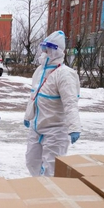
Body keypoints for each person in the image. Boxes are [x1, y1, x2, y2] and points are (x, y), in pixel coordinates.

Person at [24, 30, 81, 177]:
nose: (44, 52)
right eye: (43, 48)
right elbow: (34, 95)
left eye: (48, 49)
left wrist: (74, 127)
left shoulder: (64, 74)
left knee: (51, 169)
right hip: (36, 127)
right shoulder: (40, 71)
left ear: (56, 50)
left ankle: (49, 194)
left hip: (55, 130)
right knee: (31, 161)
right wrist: (28, 115)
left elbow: (70, 103)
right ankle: (39, 187)